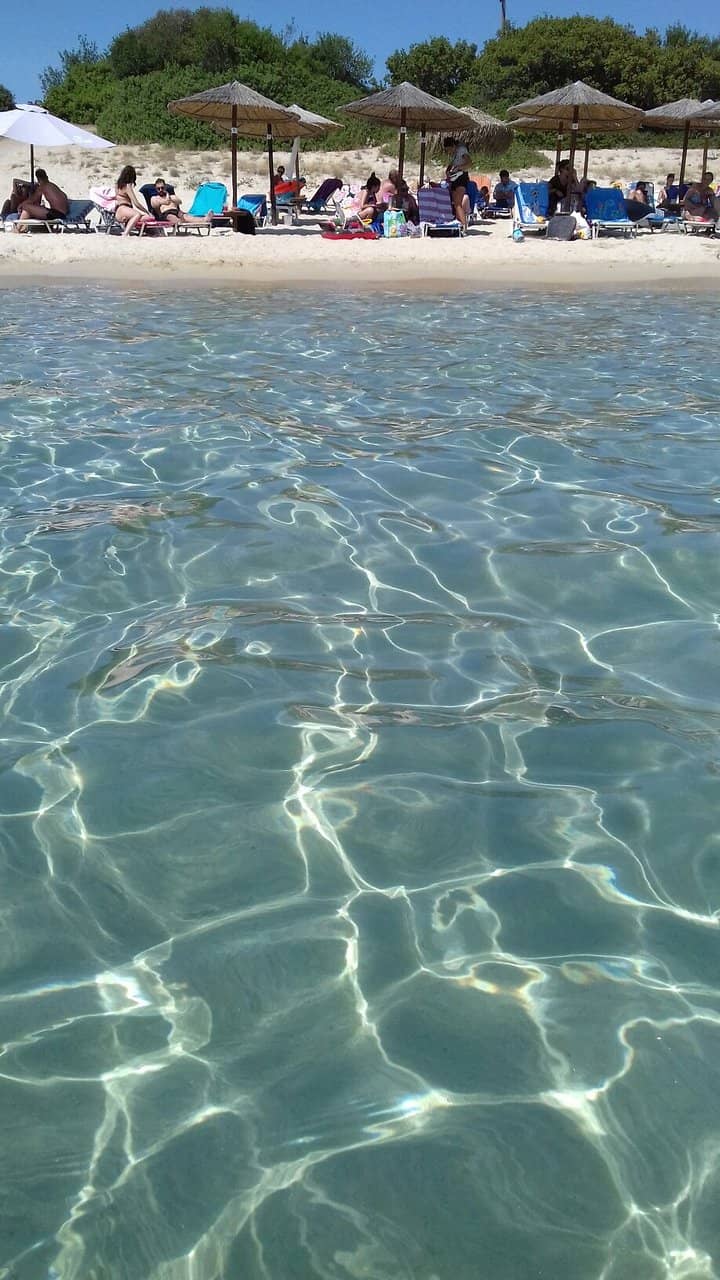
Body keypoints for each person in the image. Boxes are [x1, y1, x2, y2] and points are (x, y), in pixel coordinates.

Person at [114, 165, 153, 235]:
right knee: (137, 214)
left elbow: (117, 199)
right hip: (123, 208)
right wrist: (147, 211)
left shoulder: (117, 185)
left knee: (146, 217)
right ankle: (125, 233)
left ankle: (142, 229)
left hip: (119, 211)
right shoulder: (127, 186)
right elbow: (136, 203)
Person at [443, 136, 471, 229]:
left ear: (453, 146)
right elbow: (452, 163)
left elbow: (469, 163)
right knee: (455, 203)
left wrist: (459, 168)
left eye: (449, 149)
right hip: (455, 177)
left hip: (461, 177)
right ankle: (460, 224)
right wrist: (448, 170)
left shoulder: (462, 150)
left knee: (458, 203)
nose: (449, 152)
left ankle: (464, 226)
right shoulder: (455, 153)